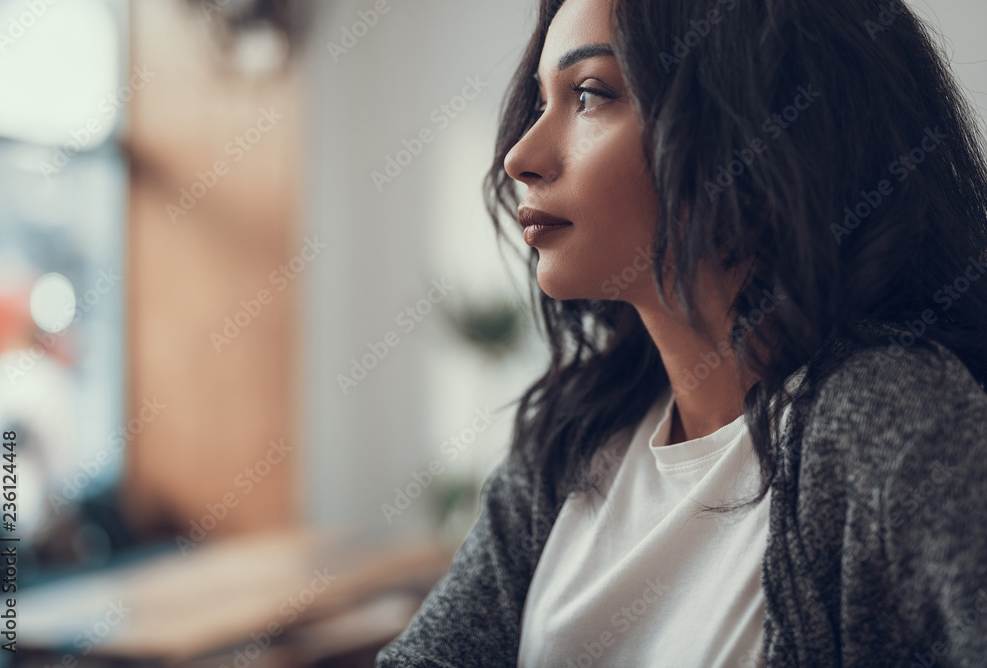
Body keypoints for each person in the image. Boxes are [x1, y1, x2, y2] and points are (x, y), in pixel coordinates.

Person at [376, 0, 987, 665]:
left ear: (759, 127)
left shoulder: (895, 421)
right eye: (537, 101)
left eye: (588, 95)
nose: (521, 156)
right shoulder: (570, 435)